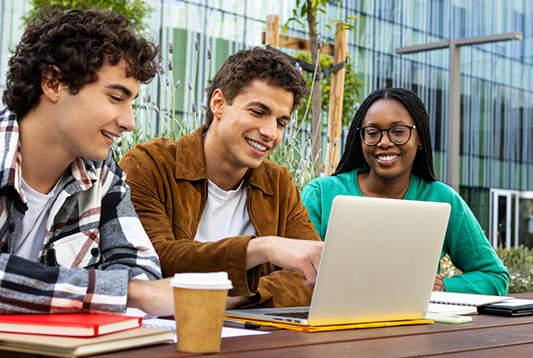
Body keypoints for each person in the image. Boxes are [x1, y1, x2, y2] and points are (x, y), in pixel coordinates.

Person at [0, 10, 173, 357]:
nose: (129, 121)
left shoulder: (103, 178)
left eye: (132, 102)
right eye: (116, 98)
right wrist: (125, 293)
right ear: (53, 83)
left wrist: (130, 290)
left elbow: (142, 268)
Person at [119, 48, 325, 309]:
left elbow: (312, 273)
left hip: (253, 337)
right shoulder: (150, 164)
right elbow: (156, 260)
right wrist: (263, 248)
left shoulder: (279, 183)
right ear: (218, 104)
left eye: (281, 122)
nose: (270, 132)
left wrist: (235, 299)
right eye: (258, 112)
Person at [301, 87, 509, 295]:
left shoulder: (442, 199)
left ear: (419, 139)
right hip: (334, 323)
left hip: (415, 325)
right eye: (372, 133)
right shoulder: (321, 194)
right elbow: (293, 274)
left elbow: (494, 276)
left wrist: (445, 286)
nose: (384, 142)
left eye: (399, 132)